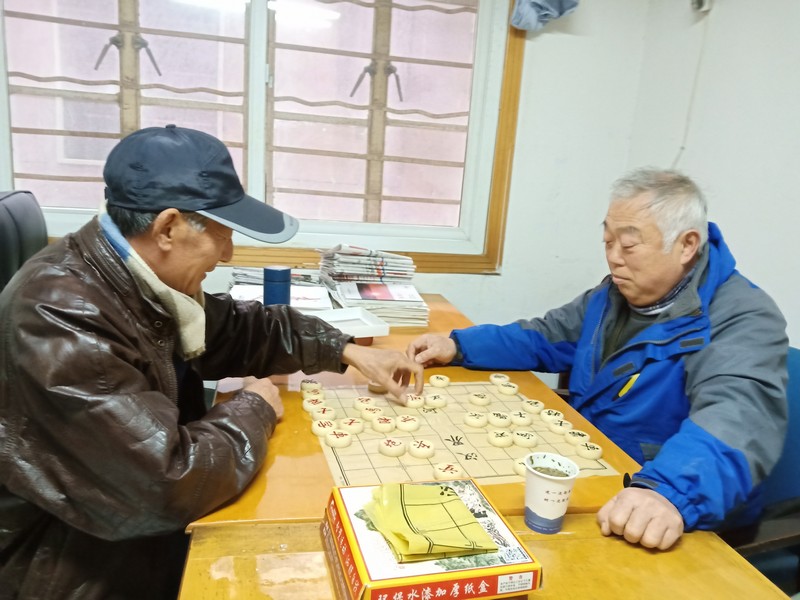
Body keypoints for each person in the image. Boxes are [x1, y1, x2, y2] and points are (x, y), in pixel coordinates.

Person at [0, 125, 423, 599]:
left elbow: (236, 328)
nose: (227, 253)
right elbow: (163, 484)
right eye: (222, 234)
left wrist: (346, 349)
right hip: (72, 565)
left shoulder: (125, 274)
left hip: (118, 533)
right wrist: (254, 408)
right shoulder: (61, 313)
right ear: (168, 228)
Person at [407, 168, 788, 551]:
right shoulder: (612, 296)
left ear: (687, 245)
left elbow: (736, 417)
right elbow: (545, 335)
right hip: (595, 467)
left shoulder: (744, 317)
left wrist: (668, 492)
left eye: (629, 245)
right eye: (608, 242)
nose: (613, 259)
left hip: (673, 507)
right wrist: (459, 345)